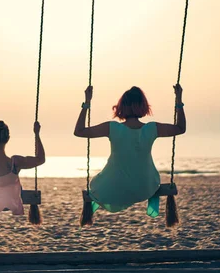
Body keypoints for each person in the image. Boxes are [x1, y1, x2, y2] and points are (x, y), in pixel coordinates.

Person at [73, 84, 185, 226]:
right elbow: (180, 128)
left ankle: (91, 211)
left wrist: (86, 103)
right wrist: (179, 100)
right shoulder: (152, 128)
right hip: (146, 188)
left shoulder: (112, 127)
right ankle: (151, 200)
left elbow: (79, 131)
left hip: (114, 187)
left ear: (121, 107)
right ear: (143, 106)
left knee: (95, 185)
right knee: (151, 180)